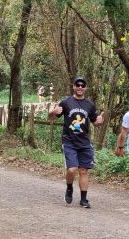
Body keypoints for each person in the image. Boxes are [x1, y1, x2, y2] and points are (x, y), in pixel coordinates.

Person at [48, 77, 103, 208]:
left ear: (86, 88)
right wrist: (53, 112)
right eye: (77, 85)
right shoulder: (66, 102)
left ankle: (84, 199)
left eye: (82, 85)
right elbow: (51, 118)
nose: (80, 87)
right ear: (73, 86)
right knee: (72, 169)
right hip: (69, 142)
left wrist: (100, 121)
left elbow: (96, 122)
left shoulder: (89, 104)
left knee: (83, 171)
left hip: (84, 143)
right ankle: (69, 188)